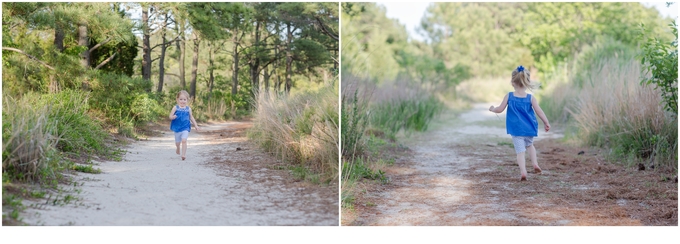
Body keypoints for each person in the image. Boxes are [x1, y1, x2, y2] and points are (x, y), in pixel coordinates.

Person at [489, 65, 550, 181]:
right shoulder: (531, 98)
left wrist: (492, 109)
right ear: (527, 82)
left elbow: (500, 109)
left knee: (520, 152)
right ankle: (535, 164)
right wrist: (546, 122)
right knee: (530, 146)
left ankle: (523, 171)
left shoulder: (509, 96)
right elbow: (539, 111)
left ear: (512, 82)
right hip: (529, 128)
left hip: (516, 130)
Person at [169, 90, 199, 160]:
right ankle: (178, 147)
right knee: (177, 143)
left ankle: (183, 155)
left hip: (185, 127)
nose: (182, 101)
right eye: (181, 99)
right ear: (177, 99)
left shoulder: (188, 109)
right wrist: (172, 117)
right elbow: (170, 116)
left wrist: (196, 125)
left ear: (187, 100)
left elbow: (191, 117)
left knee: (184, 140)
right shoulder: (175, 107)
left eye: (184, 99)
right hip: (177, 128)